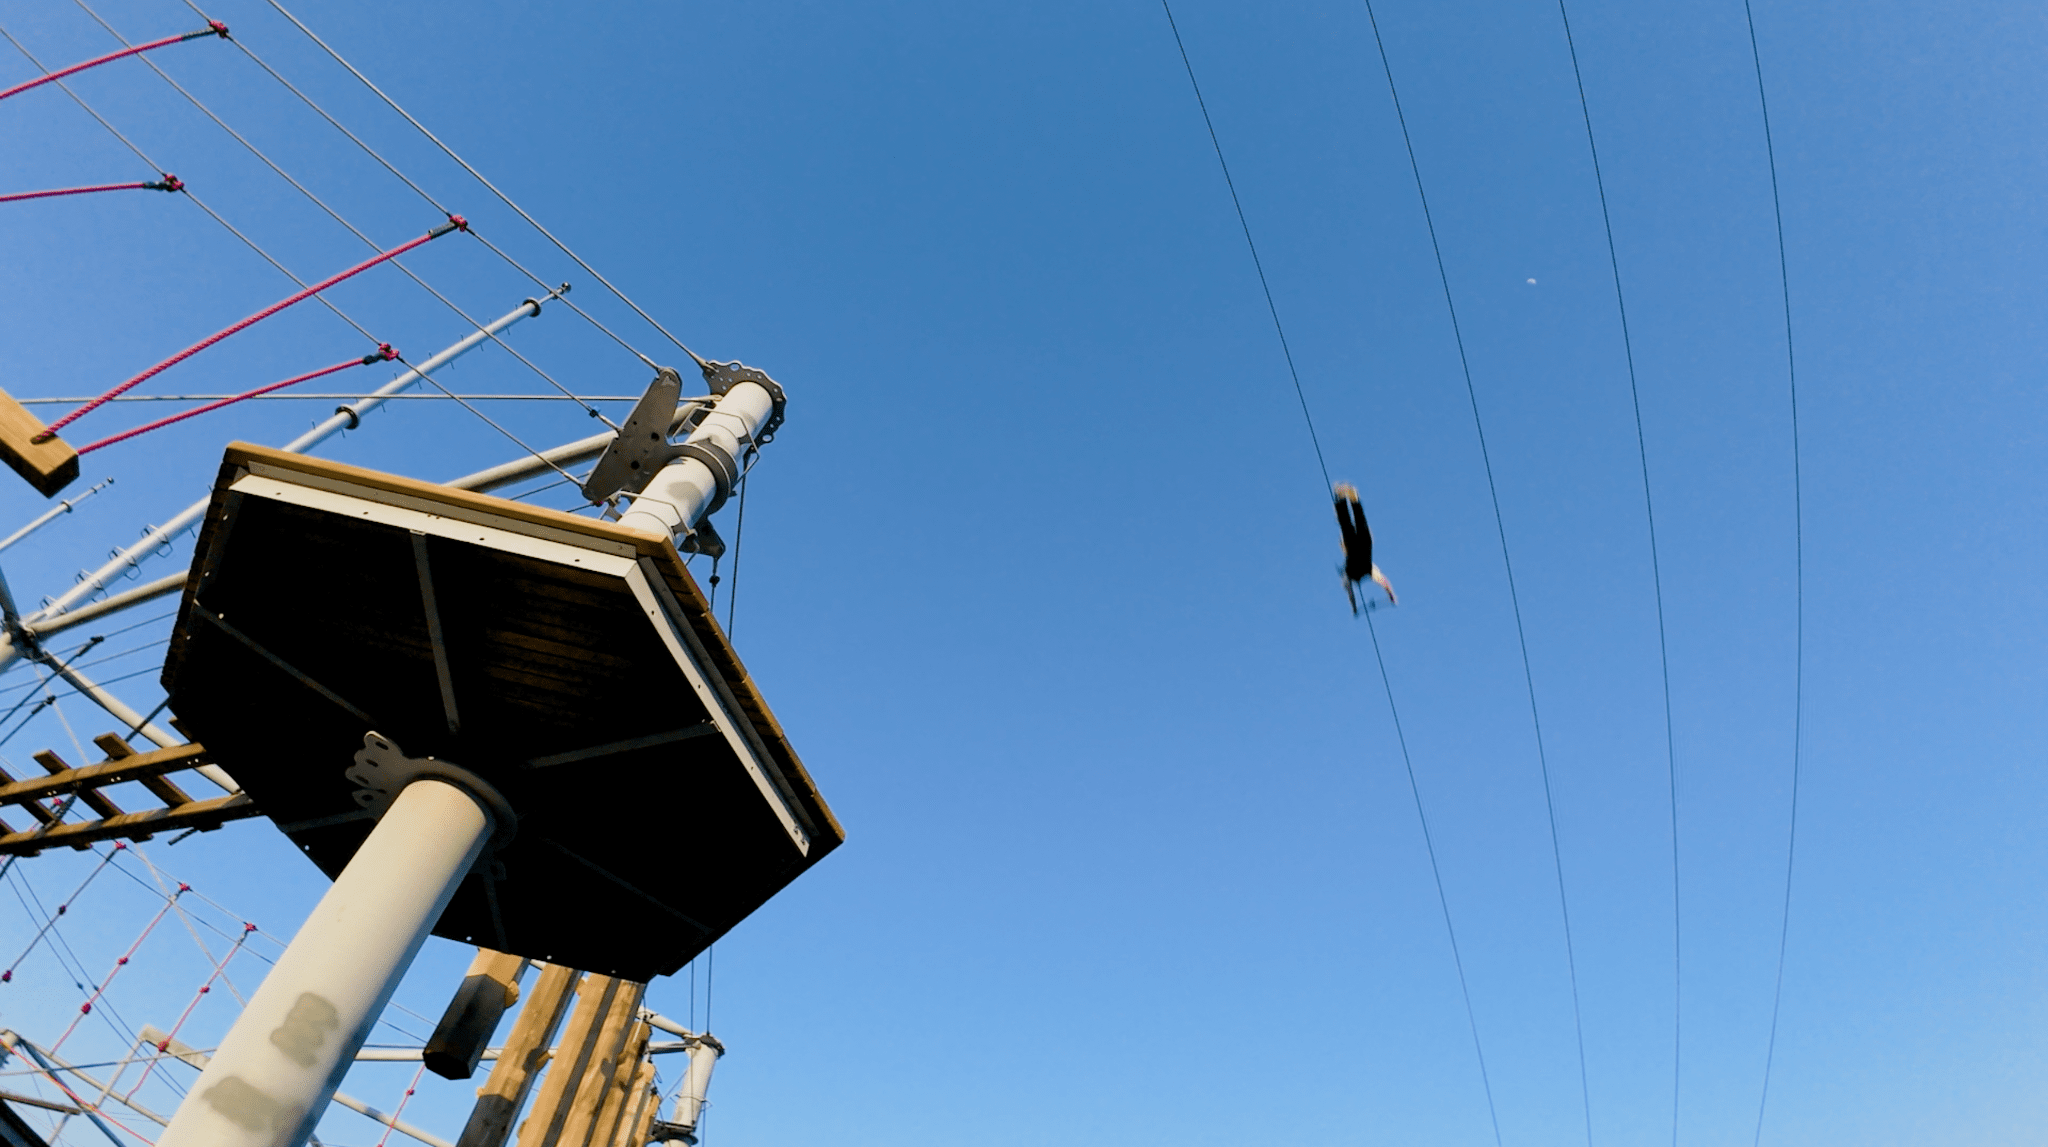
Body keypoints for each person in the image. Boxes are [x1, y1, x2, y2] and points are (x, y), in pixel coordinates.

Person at [1333, 482, 1396, 613]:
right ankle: (1345, 499)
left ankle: (1349, 499)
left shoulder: (1362, 572)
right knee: (1348, 524)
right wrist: (1391, 595)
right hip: (1358, 547)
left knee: (1356, 522)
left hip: (1363, 545)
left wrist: (1354, 607)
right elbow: (1383, 582)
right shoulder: (1359, 573)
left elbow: (1351, 593)